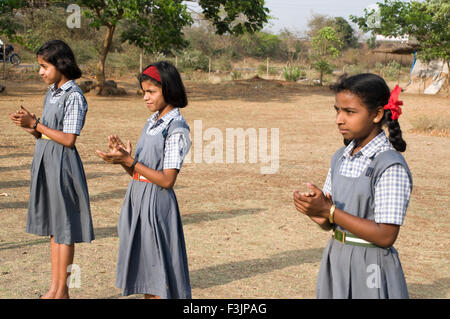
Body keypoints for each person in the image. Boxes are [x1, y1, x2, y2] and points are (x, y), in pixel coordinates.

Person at [293, 73, 412, 299]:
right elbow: (332, 223)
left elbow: (386, 236)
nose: (339, 119)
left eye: (349, 112)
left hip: (370, 266)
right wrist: (317, 211)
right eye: (337, 110)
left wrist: (330, 211)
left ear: (377, 114)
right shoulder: (340, 157)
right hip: (336, 257)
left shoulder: (389, 165)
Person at [96, 61, 192, 299]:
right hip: (138, 200)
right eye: (143, 92)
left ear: (168, 90)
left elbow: (167, 180)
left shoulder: (176, 128)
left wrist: (131, 161)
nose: (145, 98)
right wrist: (123, 159)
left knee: (158, 278)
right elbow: (140, 173)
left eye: (151, 92)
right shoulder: (152, 122)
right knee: (145, 278)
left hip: (157, 207)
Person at [9, 39, 94, 299]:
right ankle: (54, 290)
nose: (40, 72)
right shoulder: (52, 93)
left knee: (64, 229)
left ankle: (63, 292)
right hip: (46, 163)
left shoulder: (74, 95)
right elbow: (47, 135)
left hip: (63, 166)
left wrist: (37, 123)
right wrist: (31, 127)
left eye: (44, 66)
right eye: (40, 66)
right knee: (54, 229)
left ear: (61, 64)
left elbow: (68, 139)